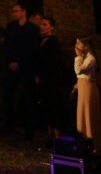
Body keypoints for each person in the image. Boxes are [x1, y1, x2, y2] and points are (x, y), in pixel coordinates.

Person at [2, 2, 39, 137]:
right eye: (13, 11)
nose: (14, 13)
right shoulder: (11, 27)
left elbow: (32, 49)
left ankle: (29, 128)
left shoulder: (33, 29)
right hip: (11, 68)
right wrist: (10, 61)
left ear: (24, 12)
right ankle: (8, 125)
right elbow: (7, 46)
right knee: (8, 97)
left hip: (25, 68)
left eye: (16, 11)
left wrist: (20, 62)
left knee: (27, 98)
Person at [71, 36, 101, 155]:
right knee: (82, 116)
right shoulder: (85, 58)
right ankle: (83, 143)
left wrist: (78, 57)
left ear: (86, 46)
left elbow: (79, 70)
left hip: (89, 90)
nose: (76, 46)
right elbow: (81, 76)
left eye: (78, 43)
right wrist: (76, 86)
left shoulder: (91, 58)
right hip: (83, 89)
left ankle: (94, 146)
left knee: (89, 116)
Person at [34, 16, 64, 144]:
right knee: (45, 106)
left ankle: (58, 137)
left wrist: (43, 75)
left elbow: (53, 62)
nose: (41, 26)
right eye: (41, 24)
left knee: (53, 107)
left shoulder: (53, 42)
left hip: (51, 80)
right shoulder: (40, 41)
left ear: (51, 27)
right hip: (42, 80)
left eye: (45, 24)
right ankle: (50, 134)